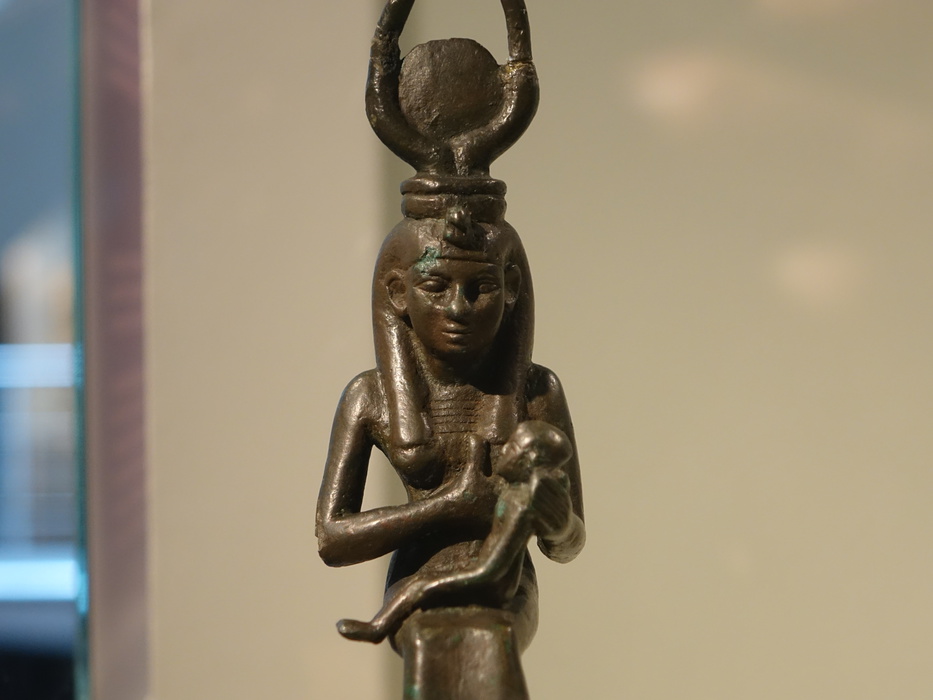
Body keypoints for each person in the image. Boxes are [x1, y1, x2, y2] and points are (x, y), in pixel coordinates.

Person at [335, 420, 574, 643]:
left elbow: (497, 566)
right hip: (463, 567)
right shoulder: (516, 496)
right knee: (422, 614)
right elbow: (334, 539)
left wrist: (561, 525)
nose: (503, 451)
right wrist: (451, 503)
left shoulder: (519, 503)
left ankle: (377, 628)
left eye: (511, 448)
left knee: (422, 590)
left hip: (493, 580)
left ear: (529, 460)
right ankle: (378, 627)